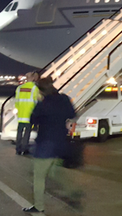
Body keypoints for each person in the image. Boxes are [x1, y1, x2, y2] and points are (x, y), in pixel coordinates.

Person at [24, 77, 81, 213]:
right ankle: (72, 194)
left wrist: (38, 103)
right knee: (57, 173)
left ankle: (39, 206)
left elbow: (32, 119)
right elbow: (73, 114)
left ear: (41, 91)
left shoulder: (43, 103)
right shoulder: (64, 99)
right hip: (61, 144)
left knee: (39, 177)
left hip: (45, 145)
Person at [15, 71, 40, 155]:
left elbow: (17, 102)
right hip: (29, 114)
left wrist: (20, 110)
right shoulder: (34, 88)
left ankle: (18, 148)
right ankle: (24, 148)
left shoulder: (19, 88)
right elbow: (37, 102)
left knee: (19, 132)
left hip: (21, 114)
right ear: (33, 78)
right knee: (27, 133)